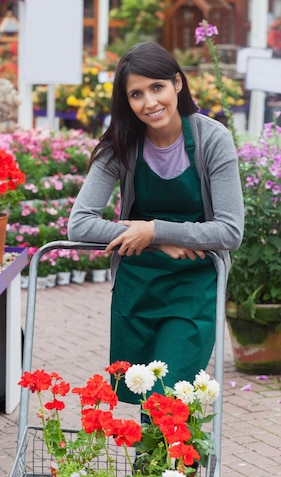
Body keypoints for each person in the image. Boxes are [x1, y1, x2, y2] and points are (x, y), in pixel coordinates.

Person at [67, 41, 244, 405]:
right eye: (136, 93)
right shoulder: (122, 144)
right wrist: (154, 239)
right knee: (147, 398)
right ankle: (166, 465)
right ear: (126, 101)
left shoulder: (213, 140)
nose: (149, 102)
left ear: (177, 84)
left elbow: (229, 231)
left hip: (194, 288)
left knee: (169, 397)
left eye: (157, 87)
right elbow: (80, 225)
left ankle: (170, 465)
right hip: (138, 289)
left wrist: (154, 228)